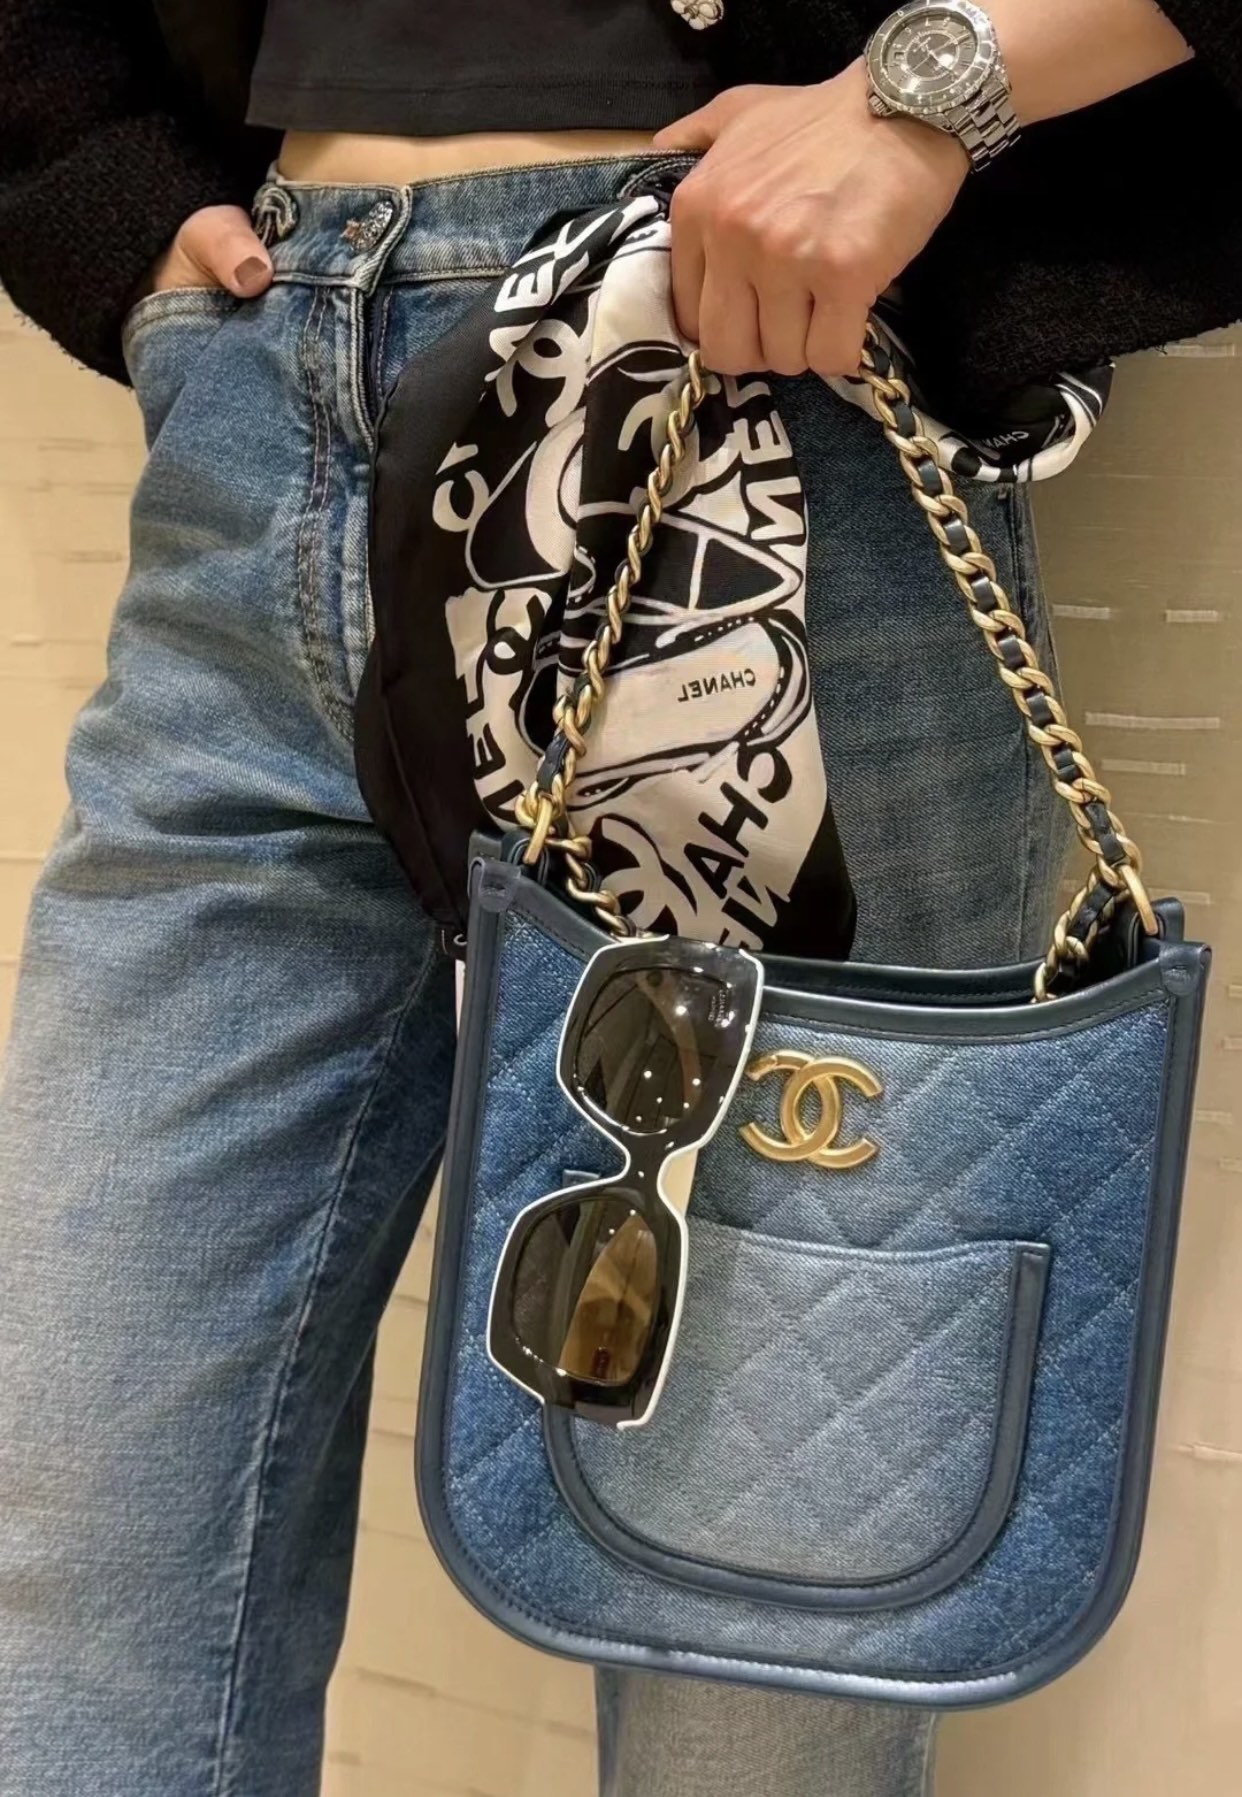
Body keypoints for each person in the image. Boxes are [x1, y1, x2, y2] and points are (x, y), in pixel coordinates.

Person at [0, 3, 1238, 1794]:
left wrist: (935, 88)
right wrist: (104, 203)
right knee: (74, 1524)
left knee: (753, 1617)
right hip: (269, 392)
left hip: (770, 403)